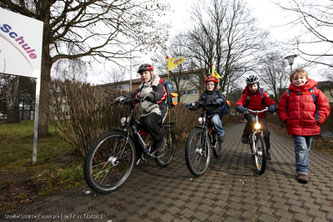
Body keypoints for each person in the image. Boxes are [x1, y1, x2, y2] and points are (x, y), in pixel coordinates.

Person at [278, 68, 330, 184]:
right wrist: (286, 120)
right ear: (291, 80)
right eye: (296, 79)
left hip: (311, 125)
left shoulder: (316, 92)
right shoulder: (288, 94)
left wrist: (319, 119)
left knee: (307, 148)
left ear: (306, 79)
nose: (299, 80)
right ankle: (302, 171)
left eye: (301, 78)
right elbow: (281, 108)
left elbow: (324, 107)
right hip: (295, 126)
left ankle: (302, 162)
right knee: (301, 148)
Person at [114, 64, 167, 157]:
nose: (143, 75)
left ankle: (161, 140)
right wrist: (122, 98)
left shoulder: (157, 84)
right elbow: (132, 95)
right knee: (136, 128)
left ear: (151, 74)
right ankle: (140, 151)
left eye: (145, 73)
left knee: (149, 122)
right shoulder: (142, 87)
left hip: (158, 110)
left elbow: (160, 94)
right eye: (141, 74)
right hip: (146, 112)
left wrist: (151, 96)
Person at [235, 74, 277, 160]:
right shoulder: (245, 95)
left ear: (258, 85)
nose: (253, 88)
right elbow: (240, 102)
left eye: (254, 86)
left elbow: (269, 101)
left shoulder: (262, 94)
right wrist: (240, 107)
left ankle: (267, 150)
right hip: (249, 113)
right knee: (252, 120)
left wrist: (272, 106)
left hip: (261, 114)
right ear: (248, 86)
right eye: (250, 86)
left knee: (265, 131)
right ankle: (245, 136)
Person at [187, 75, 226, 142]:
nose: (209, 86)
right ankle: (202, 140)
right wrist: (192, 106)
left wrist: (219, 100)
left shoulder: (217, 93)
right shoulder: (203, 95)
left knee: (215, 120)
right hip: (205, 114)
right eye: (208, 84)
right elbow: (198, 102)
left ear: (215, 85)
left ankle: (221, 133)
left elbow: (222, 98)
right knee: (201, 123)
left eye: (212, 84)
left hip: (215, 113)